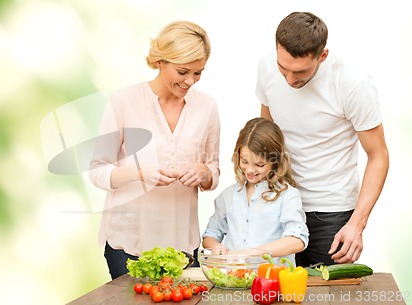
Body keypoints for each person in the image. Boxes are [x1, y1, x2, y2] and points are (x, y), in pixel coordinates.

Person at [256, 12, 389, 266]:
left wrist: (356, 224)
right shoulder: (266, 66)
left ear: (323, 56)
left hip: (331, 212)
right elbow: (267, 131)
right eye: (283, 69)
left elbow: (379, 155)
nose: (290, 80)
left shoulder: (353, 84)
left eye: (301, 71)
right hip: (280, 202)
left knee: (327, 297)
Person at [89, 21, 220, 279]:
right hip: (128, 243)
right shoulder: (124, 101)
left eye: (198, 73)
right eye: (183, 72)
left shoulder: (207, 107)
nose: (190, 81)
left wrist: (203, 172)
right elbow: (97, 171)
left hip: (183, 244)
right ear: (160, 61)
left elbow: (213, 171)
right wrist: (139, 174)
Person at [202, 118, 308, 264]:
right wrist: (216, 247)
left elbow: (297, 240)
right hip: (234, 277)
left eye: (259, 164)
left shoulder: (288, 195)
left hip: (271, 278)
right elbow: (210, 235)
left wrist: (249, 254)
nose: (250, 170)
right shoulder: (228, 195)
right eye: (244, 161)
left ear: (275, 161)